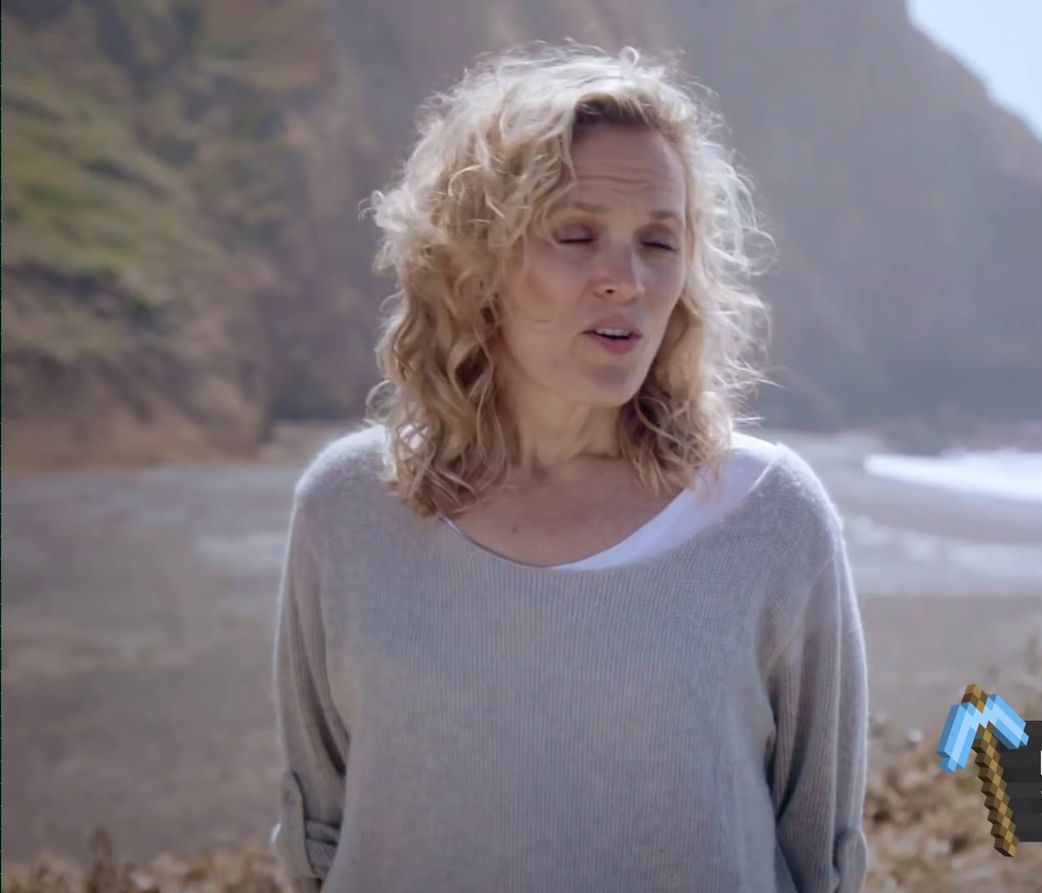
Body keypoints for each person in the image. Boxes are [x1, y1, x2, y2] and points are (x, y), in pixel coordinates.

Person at [268, 44, 870, 892]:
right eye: (575, 235)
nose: (624, 280)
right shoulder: (347, 510)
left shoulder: (770, 518)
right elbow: (319, 837)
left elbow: (821, 859)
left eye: (659, 242)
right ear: (475, 264)